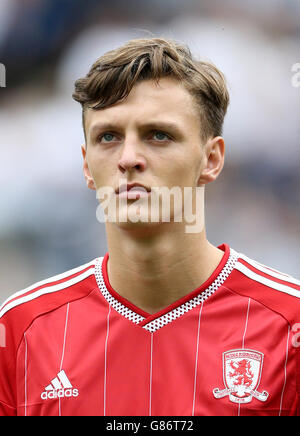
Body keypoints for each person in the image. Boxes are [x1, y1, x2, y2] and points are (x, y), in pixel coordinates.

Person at [0, 37, 299, 417]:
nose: (128, 158)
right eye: (108, 137)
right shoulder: (23, 327)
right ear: (87, 165)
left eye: (159, 135)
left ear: (211, 159)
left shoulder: (289, 324)